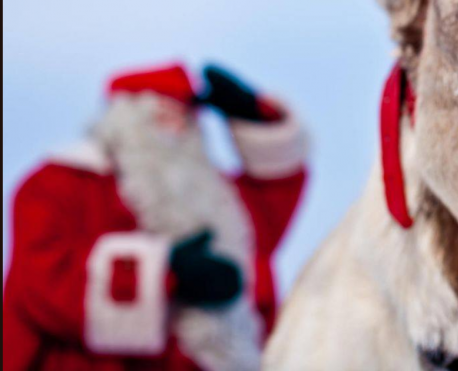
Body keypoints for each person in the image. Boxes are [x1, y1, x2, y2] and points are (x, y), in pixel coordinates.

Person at [3, 62, 309, 370]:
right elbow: (40, 284)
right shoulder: (62, 182)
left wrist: (256, 118)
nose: (175, 129)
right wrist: (165, 271)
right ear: (124, 120)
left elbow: (269, 206)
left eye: (185, 119)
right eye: (162, 117)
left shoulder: (214, 199)